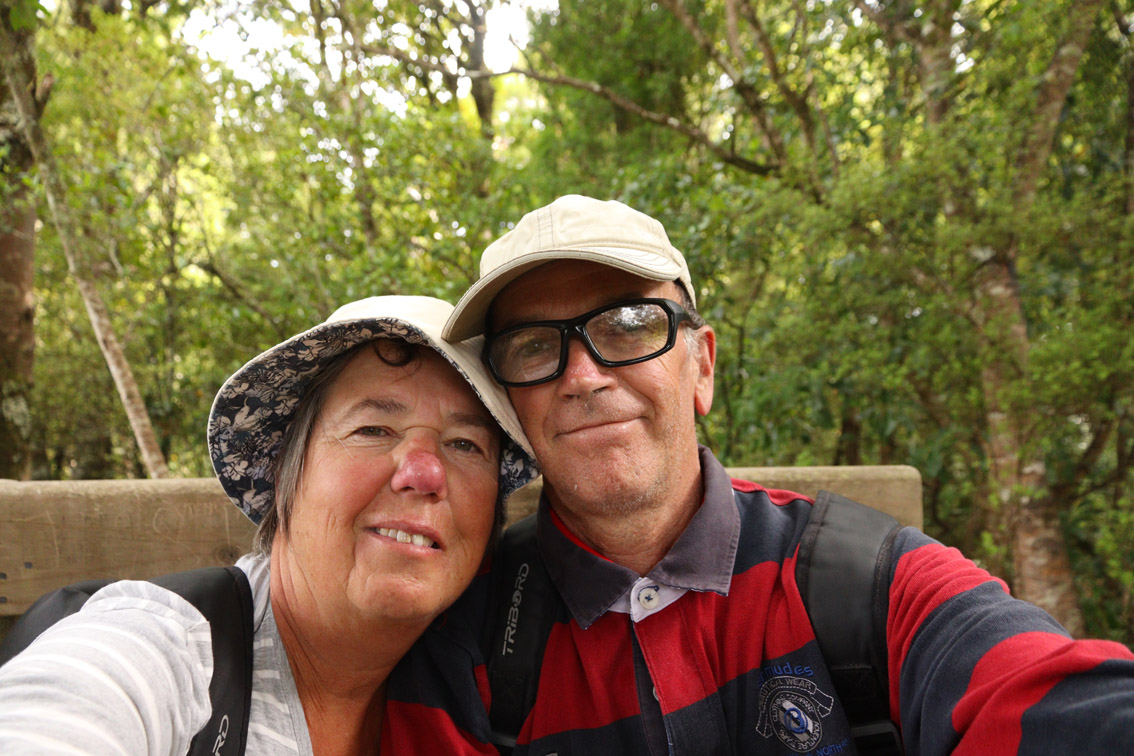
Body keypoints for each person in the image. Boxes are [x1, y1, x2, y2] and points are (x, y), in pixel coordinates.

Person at [440, 195, 1134, 755]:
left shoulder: (867, 585)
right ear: (508, 403)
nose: (584, 375)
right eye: (532, 346)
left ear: (702, 367)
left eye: (629, 323)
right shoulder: (471, 637)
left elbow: (1049, 699)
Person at [0, 295, 537, 755]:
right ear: (283, 473)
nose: (424, 473)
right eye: (373, 429)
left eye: (465, 444)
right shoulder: (163, 650)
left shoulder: (475, 682)